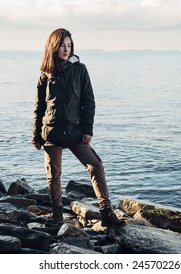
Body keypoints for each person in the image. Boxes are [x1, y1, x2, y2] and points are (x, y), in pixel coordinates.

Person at [32, 28, 124, 227]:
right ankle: (56, 213)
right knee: (53, 175)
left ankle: (107, 212)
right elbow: (39, 107)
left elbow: (88, 102)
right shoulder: (46, 74)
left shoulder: (80, 69)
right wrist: (36, 136)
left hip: (75, 132)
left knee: (96, 165)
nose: (66, 49)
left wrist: (87, 130)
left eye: (69, 45)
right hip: (51, 132)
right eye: (62, 45)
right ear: (53, 47)